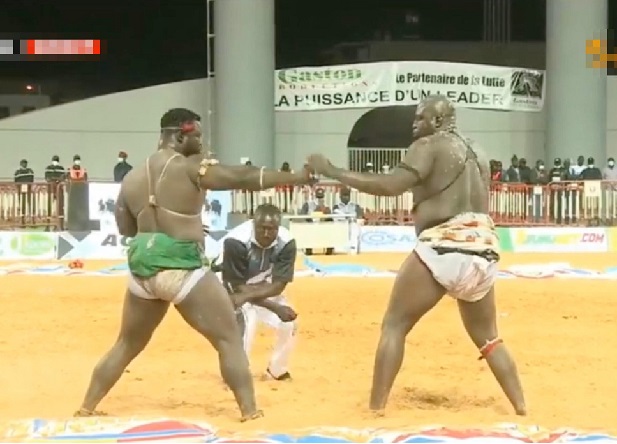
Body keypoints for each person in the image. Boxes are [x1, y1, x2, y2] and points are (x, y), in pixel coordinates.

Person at [75, 108, 314, 421]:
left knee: (126, 343)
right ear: (179, 135)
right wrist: (295, 177)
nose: (202, 143)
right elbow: (241, 177)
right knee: (229, 339)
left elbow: (126, 227)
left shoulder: (132, 178)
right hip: (182, 267)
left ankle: (87, 407)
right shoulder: (190, 167)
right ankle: (250, 411)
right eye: (197, 136)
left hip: (142, 269)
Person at [307, 95, 526, 416]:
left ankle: (375, 409)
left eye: (420, 118)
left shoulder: (428, 145)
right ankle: (521, 407)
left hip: (444, 244)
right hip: (484, 248)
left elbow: (391, 185)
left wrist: (333, 171)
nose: (414, 125)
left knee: (394, 325)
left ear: (437, 121)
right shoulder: (478, 151)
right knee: (489, 338)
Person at [214, 204, 298, 381]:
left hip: (260, 289)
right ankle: (237, 373)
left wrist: (272, 305)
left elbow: (279, 285)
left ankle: (277, 370)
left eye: (272, 229)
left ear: (279, 227)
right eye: (262, 228)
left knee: (289, 323)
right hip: (230, 289)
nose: (266, 234)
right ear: (253, 224)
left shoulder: (286, 243)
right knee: (247, 321)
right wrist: (275, 307)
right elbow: (236, 287)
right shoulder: (236, 241)